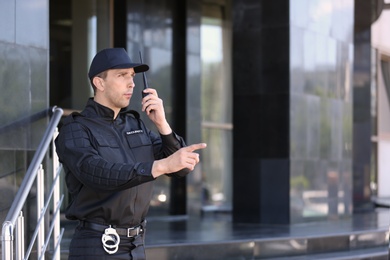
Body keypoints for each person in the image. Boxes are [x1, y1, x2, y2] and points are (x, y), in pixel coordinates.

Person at [55, 47, 207, 259]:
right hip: (97, 247)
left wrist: (162, 124)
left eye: (132, 76)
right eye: (121, 75)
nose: (131, 83)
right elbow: (97, 173)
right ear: (99, 83)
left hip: (136, 246)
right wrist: (160, 166)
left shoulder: (134, 124)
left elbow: (179, 169)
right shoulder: (75, 129)